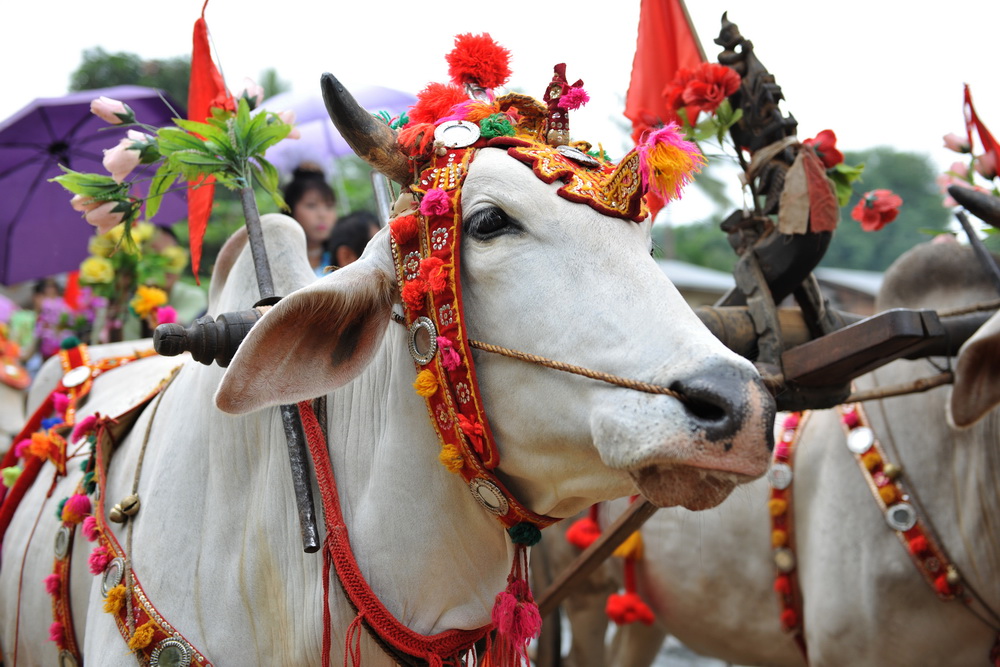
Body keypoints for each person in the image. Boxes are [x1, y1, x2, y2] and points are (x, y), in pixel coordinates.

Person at [282, 166, 338, 277]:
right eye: (311, 205)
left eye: (329, 206)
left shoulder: (346, 258)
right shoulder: (277, 263)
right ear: (290, 210)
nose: (322, 215)